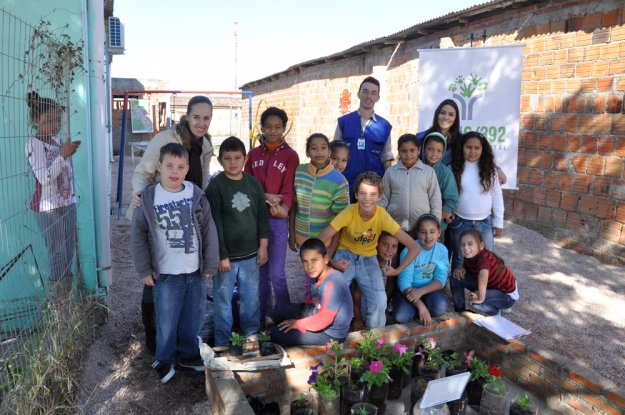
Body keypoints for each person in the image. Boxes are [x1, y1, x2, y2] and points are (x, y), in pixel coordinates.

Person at [126, 95, 215, 355]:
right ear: (187, 117)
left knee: (183, 280)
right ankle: (154, 341)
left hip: (185, 216)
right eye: (196, 117)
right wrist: (141, 196)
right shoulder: (166, 139)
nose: (201, 123)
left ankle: (181, 340)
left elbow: (204, 181)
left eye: (206, 118)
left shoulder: (206, 144)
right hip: (156, 217)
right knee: (154, 279)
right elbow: (142, 172)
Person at [131, 143, 219, 384]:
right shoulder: (149, 197)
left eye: (180, 167)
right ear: (159, 166)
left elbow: (209, 230)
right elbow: (138, 235)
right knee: (167, 320)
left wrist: (210, 263)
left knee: (194, 317)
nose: (174, 171)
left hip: (194, 273)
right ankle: (164, 358)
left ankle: (189, 354)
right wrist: (144, 269)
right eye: (169, 166)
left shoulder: (196, 195)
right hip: (166, 275)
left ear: (187, 169)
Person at [316, 171, 420, 329]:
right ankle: (333, 338)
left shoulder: (382, 216)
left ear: (380, 197)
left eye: (373, 194)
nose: (367, 198)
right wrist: (331, 262)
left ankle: (374, 343)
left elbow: (414, 247)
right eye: (363, 193)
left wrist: (398, 270)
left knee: (379, 301)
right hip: (345, 255)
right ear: (356, 194)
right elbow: (319, 241)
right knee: (332, 299)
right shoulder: (348, 213)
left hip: (368, 259)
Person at [206, 137, 269, 346]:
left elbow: (261, 216)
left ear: (245, 158)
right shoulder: (216, 187)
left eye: (237, 158)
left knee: (250, 297)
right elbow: (214, 224)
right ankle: (223, 340)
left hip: (251, 254)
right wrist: (221, 256)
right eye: (227, 158)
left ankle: (251, 334)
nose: (233, 162)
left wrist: (263, 246)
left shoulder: (252, 184)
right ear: (219, 160)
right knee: (223, 300)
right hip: (226, 259)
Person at [245, 107, 300, 328]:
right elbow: (247, 184)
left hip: (277, 221)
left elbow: (289, 190)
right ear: (262, 128)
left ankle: (284, 314)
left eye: (278, 127)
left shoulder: (290, 155)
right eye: (268, 126)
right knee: (261, 270)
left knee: (277, 273)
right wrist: (266, 196)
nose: (273, 131)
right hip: (256, 220)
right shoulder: (254, 155)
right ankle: (265, 314)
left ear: (284, 129)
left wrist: (283, 207)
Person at [26, 92, 81, 302]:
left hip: (67, 204)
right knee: (58, 255)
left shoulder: (56, 141)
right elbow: (44, 177)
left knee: (67, 253)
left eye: (57, 120)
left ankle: (65, 301)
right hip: (48, 209)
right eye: (49, 120)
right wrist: (63, 154)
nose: (55, 125)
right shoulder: (34, 145)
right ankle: (59, 305)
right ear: (35, 120)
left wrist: (64, 152)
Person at [448, 131, 504, 311]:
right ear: (462, 148)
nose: (472, 151)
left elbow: (497, 196)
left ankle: (491, 299)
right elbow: (448, 194)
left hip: (484, 223)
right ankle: (458, 305)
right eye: (468, 147)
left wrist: (499, 222)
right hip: (460, 221)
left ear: (483, 150)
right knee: (458, 259)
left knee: (488, 261)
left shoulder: (490, 170)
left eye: (477, 148)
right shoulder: (455, 168)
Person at [289, 133, 348, 300]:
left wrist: (332, 249)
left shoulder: (339, 180)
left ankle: (321, 310)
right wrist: (292, 233)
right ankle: (310, 308)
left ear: (329, 151)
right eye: (313, 148)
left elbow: (340, 220)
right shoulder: (299, 172)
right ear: (307, 152)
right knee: (309, 276)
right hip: (303, 238)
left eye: (323, 147)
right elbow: (294, 204)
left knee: (323, 279)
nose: (319, 152)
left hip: (326, 242)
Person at [271, 238, 353, 346]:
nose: (309, 266)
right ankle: (285, 334)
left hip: (330, 333)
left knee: (277, 334)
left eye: (314, 260)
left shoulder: (332, 283)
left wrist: (298, 324)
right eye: (305, 261)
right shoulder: (315, 273)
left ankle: (286, 343)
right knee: (278, 309)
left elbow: (324, 319)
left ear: (326, 259)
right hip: (315, 312)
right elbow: (312, 300)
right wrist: (302, 318)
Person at [417, 99, 507, 184]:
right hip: (423, 185)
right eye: (442, 113)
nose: (446, 117)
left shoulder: (461, 138)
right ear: (437, 114)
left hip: (449, 187)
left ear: (456, 118)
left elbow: (478, 156)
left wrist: (496, 169)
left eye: (451, 114)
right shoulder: (421, 137)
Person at [335, 76, 393, 202]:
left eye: (373, 93)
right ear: (358, 94)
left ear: (378, 98)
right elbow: (333, 156)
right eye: (365, 91)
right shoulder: (343, 122)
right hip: (345, 187)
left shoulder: (385, 127)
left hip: (372, 191)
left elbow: (386, 161)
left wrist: (389, 188)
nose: (368, 96)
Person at [379, 133, 442, 233]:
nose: (408, 155)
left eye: (412, 150)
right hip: (395, 227)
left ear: (419, 150)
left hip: (422, 228)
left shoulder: (428, 172)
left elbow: (435, 200)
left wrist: (435, 225)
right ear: (398, 151)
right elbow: (383, 200)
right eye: (404, 151)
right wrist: (381, 223)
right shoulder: (391, 172)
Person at [394, 215, 449, 328]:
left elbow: (440, 280)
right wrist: (421, 306)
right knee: (401, 316)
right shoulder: (409, 250)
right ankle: (418, 308)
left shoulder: (442, 250)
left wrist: (420, 292)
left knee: (441, 306)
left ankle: (420, 309)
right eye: (423, 232)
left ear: (439, 233)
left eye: (432, 232)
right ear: (418, 233)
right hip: (408, 291)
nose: (428, 236)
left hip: (429, 289)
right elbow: (404, 282)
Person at [451, 229, 518, 315]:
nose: (466, 248)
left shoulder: (484, 258)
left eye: (470, 244)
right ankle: (460, 311)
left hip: (506, 295)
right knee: (455, 276)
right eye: (462, 244)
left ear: (481, 246)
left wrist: (480, 298)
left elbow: (483, 274)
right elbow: (473, 269)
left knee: (476, 302)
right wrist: (461, 267)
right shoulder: (470, 255)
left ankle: (496, 311)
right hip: (490, 286)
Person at [352, 231, 399, 330]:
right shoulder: (366, 261)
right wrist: (358, 319)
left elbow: (390, 284)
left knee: (378, 311)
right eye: (385, 245)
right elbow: (357, 293)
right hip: (364, 297)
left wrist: (384, 307)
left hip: (380, 297)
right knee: (367, 316)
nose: (389, 250)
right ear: (376, 243)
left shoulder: (393, 259)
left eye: (394, 246)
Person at [421, 132, 459, 236]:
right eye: (430, 149)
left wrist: (435, 219)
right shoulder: (416, 168)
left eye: (439, 151)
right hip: (415, 224)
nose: (434, 154)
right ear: (423, 148)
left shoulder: (446, 173)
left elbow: (452, 200)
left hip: (436, 227)